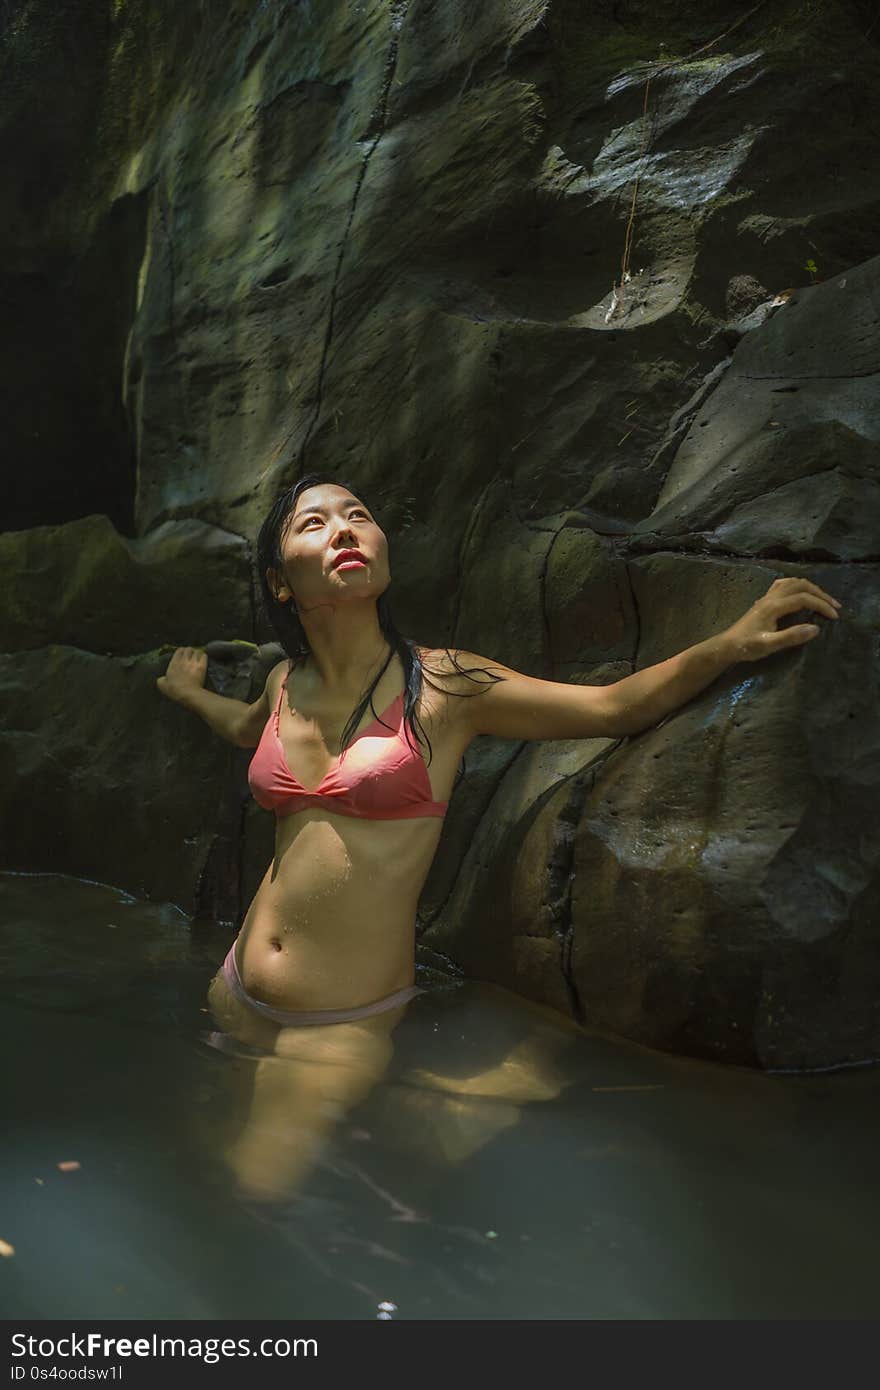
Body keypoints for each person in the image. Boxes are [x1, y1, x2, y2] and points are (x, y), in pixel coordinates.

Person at [157, 474, 841, 1198]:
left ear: (385, 553)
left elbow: (610, 708)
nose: (346, 529)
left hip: (337, 1024)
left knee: (253, 1196)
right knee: (204, 1151)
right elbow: (244, 729)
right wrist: (188, 693)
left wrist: (728, 645)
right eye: (315, 523)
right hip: (232, 988)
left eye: (359, 515)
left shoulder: (447, 685)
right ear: (280, 582)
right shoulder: (283, 683)